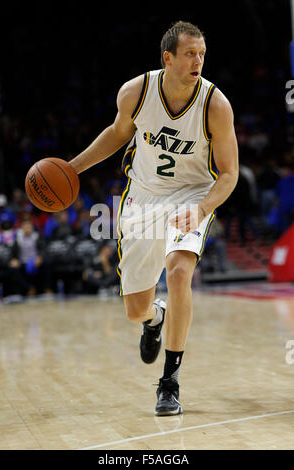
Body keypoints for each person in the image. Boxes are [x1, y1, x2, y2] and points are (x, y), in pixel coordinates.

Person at [69, 21, 239, 416]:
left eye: (202, 54)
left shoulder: (215, 105)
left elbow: (228, 174)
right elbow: (116, 133)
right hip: (143, 197)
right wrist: (71, 168)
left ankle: (170, 381)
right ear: (168, 58)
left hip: (192, 195)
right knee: (134, 310)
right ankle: (154, 318)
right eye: (189, 54)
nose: (198, 61)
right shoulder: (136, 92)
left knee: (179, 272)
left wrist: (200, 209)